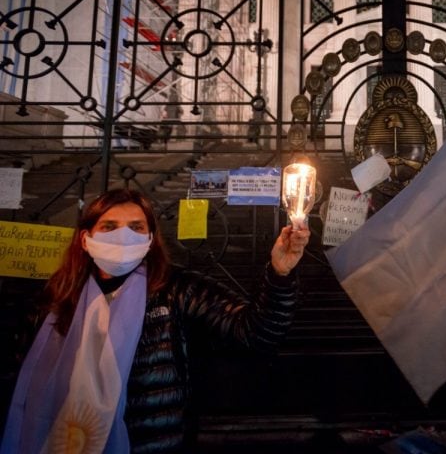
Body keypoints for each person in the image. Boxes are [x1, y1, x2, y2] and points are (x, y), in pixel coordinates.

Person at [1, 188, 310, 453]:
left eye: (136, 227)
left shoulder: (178, 289)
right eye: (109, 226)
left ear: (149, 239)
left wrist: (279, 274)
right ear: (85, 239)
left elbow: (255, 334)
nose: (124, 236)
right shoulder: (52, 302)